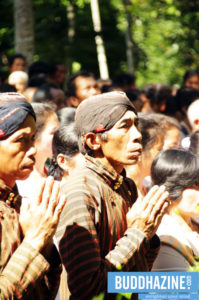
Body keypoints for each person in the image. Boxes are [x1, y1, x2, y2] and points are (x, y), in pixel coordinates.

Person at [56, 91, 169, 299]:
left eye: (135, 125)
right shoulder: (80, 193)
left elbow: (134, 277)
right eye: (124, 127)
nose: (137, 135)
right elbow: (88, 288)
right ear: (93, 140)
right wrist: (138, 234)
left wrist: (149, 236)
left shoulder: (125, 186)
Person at [0, 92, 66, 298]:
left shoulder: (15, 201)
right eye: (21, 140)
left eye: (33, 138)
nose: (32, 150)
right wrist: (35, 240)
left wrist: (45, 243)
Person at [151, 149, 199, 271]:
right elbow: (178, 285)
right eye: (196, 184)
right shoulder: (164, 237)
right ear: (173, 187)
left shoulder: (193, 219)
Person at [17, 103, 59, 197]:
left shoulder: (48, 171)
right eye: (53, 132)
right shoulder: (23, 181)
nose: (59, 137)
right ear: (34, 136)